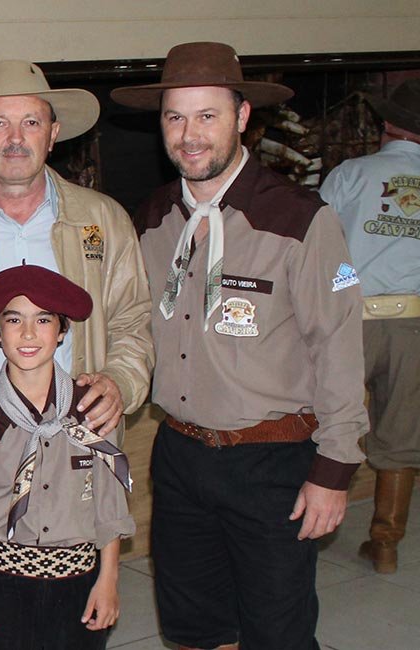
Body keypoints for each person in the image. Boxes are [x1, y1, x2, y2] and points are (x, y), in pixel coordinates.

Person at [112, 41, 368, 650]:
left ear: (242, 116)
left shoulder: (300, 219)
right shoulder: (151, 217)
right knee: (197, 629)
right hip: (179, 456)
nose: (190, 134)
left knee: (276, 632)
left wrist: (333, 470)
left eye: (208, 116)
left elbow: (339, 347)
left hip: (272, 463)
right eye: (175, 117)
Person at [0, 59, 154, 573]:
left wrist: (122, 380)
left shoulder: (105, 221)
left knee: (75, 608)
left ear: (54, 133)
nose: (15, 138)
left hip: (79, 453)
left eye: (31, 122)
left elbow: (133, 321)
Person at [319, 78, 420, 573]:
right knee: (403, 435)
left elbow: (318, 246)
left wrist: (350, 284)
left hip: (348, 324)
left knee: (326, 424)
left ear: (385, 124)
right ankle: (386, 544)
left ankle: (310, 531)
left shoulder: (350, 174)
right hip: (411, 326)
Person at [0, 264, 134, 649]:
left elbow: (111, 508)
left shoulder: (94, 409)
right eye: (14, 320)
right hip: (2, 583)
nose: (28, 334)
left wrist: (108, 580)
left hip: (78, 585)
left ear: (62, 331)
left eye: (43, 320)